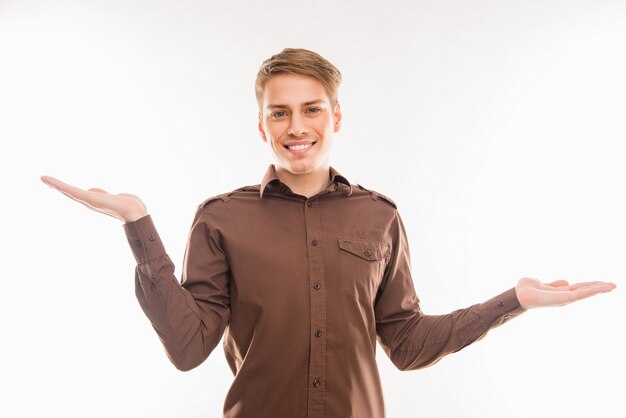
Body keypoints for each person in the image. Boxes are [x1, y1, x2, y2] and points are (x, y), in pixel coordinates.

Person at [40, 48, 616, 418]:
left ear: (335, 117)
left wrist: (513, 302)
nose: (296, 127)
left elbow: (409, 344)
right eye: (279, 112)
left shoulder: (379, 217)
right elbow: (189, 350)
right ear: (261, 123)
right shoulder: (220, 219)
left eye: (311, 109)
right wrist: (138, 223)